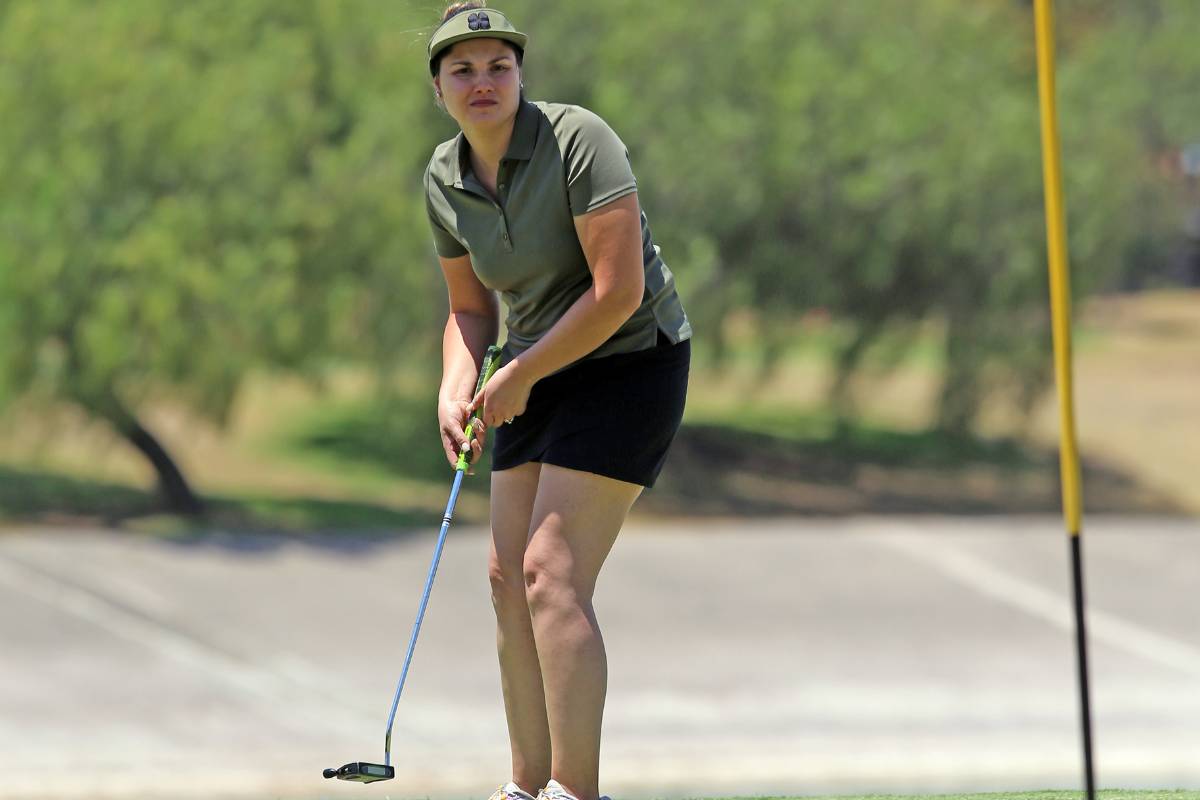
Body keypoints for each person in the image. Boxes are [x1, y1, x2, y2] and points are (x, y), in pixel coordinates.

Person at [423, 4, 691, 800]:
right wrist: (456, 382)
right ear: (437, 88)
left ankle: (578, 794)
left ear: (520, 74)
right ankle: (525, 788)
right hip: (534, 367)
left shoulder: (579, 140)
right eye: (462, 70)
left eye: (497, 66)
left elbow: (618, 293)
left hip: (630, 360)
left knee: (551, 573)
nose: (482, 82)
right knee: (507, 577)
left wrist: (520, 375)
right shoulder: (443, 179)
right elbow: (470, 310)